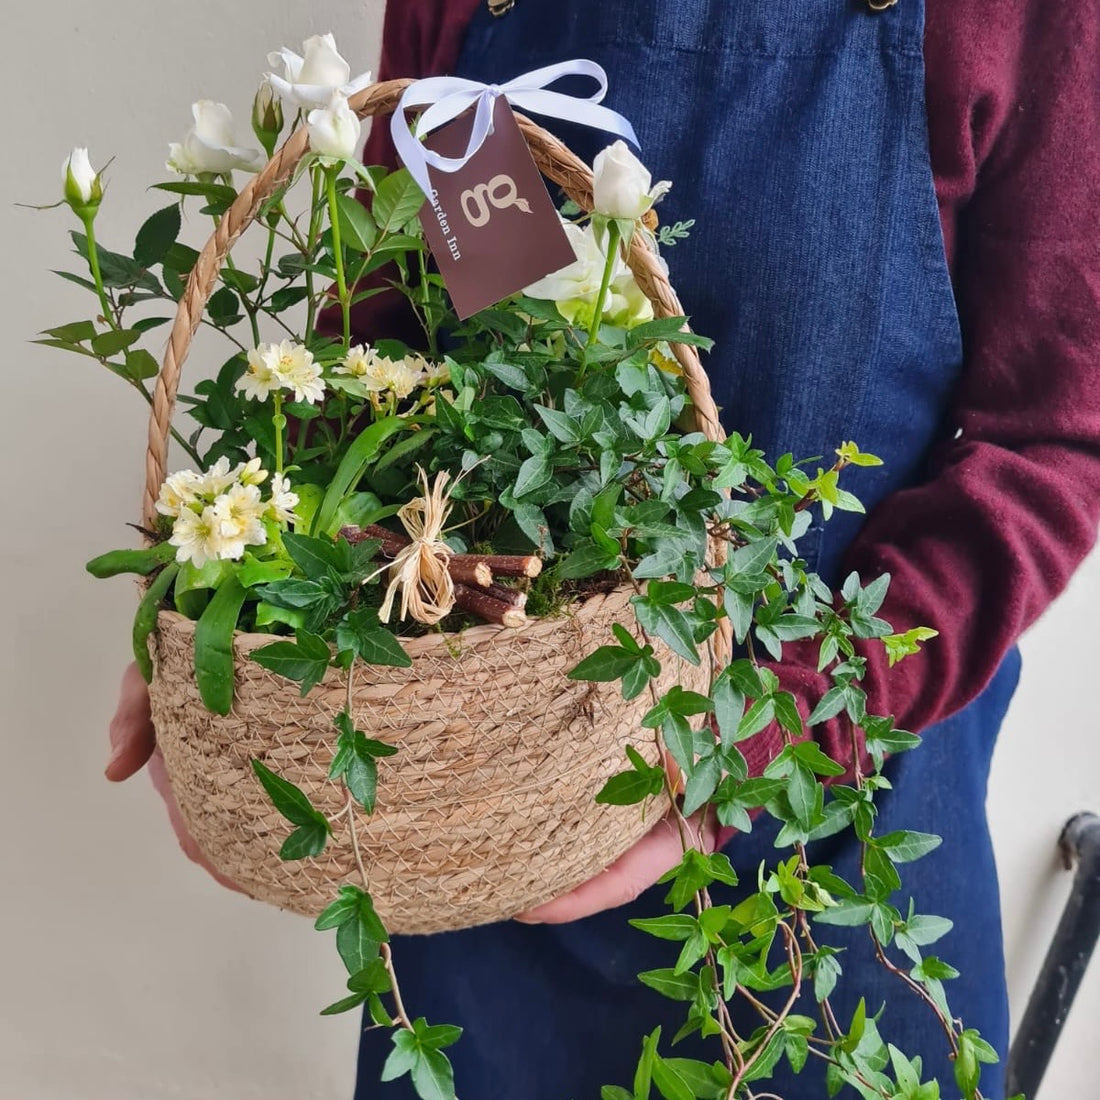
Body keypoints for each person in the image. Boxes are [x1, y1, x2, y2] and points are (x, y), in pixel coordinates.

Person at [107, 0, 1100, 1096]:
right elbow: (393, 338)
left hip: (832, 826)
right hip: (489, 815)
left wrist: (761, 729)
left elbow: (1043, 444)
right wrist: (236, 607)